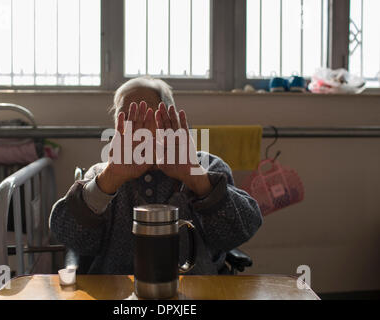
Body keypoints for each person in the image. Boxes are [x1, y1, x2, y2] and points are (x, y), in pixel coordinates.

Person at [49, 76, 262, 274]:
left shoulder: (206, 165)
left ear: (170, 121)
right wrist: (110, 179)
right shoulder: (102, 174)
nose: (135, 123)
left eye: (145, 114)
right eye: (125, 115)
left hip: (196, 293)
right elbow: (69, 235)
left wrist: (195, 178)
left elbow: (239, 231)